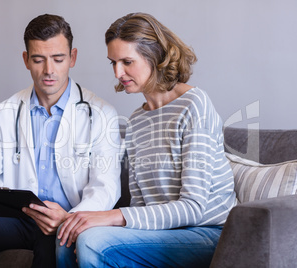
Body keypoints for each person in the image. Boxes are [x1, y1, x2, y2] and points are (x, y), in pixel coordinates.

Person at [0, 14, 121, 268]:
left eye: (58, 59)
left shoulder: (101, 114)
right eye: (39, 59)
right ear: (26, 60)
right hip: (13, 220)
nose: (48, 70)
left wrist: (68, 219)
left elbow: (106, 188)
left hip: (64, 218)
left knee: (52, 239)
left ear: (72, 58)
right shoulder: (3, 113)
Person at [56, 12, 237, 268]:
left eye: (127, 61)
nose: (118, 72)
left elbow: (193, 207)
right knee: (68, 237)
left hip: (209, 233)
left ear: (154, 57)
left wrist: (111, 217)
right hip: (163, 234)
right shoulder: (137, 121)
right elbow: (141, 205)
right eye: (113, 63)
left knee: (92, 241)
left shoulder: (194, 105)